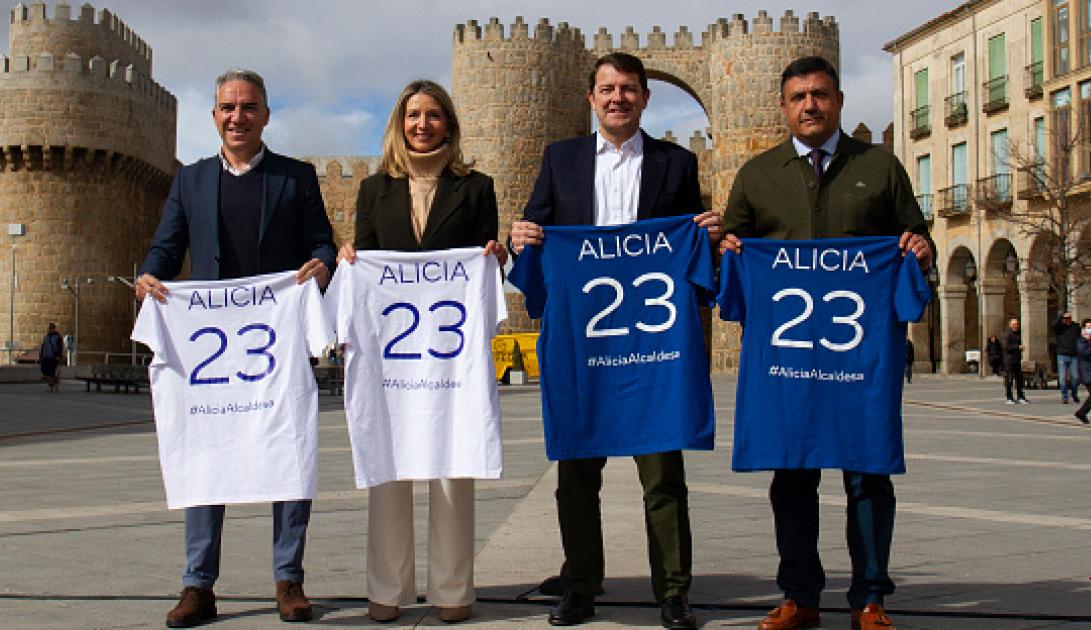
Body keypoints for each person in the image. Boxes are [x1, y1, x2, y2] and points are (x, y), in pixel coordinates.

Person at [720, 56, 933, 630]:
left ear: (838, 101)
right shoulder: (757, 175)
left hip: (860, 355)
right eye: (798, 97)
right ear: (783, 106)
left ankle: (870, 598)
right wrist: (730, 251)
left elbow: (916, 236)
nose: (809, 105)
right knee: (791, 475)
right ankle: (800, 597)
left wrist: (919, 249)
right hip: (787, 358)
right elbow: (733, 249)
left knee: (868, 474)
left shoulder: (881, 167)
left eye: (819, 94)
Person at [509, 52, 721, 629]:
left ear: (645, 97)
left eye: (628, 88)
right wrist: (519, 234)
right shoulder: (561, 160)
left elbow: (689, 245)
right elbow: (534, 228)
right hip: (585, 346)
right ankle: (580, 587)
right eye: (607, 89)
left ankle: (673, 593)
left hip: (653, 349)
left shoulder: (676, 163)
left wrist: (705, 235)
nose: (618, 98)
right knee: (577, 474)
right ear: (591, 98)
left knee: (664, 476)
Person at [135, 68, 336, 627]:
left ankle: (289, 579)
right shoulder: (190, 181)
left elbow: (322, 241)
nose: (237, 117)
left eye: (248, 107)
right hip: (211, 349)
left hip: (276, 343)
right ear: (214, 116)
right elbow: (166, 248)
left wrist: (320, 265)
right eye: (228, 107)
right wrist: (149, 276)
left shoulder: (296, 178)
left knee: (289, 453)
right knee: (204, 457)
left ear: (265, 115)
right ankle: (198, 585)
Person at [336, 79, 507, 624]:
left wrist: (494, 257)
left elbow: (484, 264)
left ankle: (453, 591)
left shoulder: (476, 188)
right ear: (399, 123)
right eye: (413, 115)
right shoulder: (373, 191)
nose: (422, 124)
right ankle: (386, 588)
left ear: (448, 124)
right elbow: (366, 261)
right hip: (392, 356)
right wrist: (352, 260)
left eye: (433, 115)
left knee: (453, 465)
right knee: (388, 466)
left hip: (450, 356)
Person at [1053, 312, 1081, 404]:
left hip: (1073, 355)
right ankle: (1064, 396)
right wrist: (1061, 315)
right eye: (1065, 318)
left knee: (1075, 377)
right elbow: (1053, 325)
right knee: (1062, 378)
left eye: (1068, 318)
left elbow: (1080, 338)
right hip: (1062, 354)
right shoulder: (1059, 327)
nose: (1067, 320)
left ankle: (1074, 393)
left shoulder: (1075, 327)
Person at [1003, 319, 1028, 404]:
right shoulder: (1007, 334)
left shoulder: (1019, 333)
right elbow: (1006, 347)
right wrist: (1018, 347)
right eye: (1014, 324)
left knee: (1019, 379)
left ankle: (1020, 396)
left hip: (1017, 360)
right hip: (1009, 360)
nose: (1016, 325)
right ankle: (1009, 397)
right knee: (1009, 379)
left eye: (1017, 324)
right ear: (1010, 325)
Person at [38, 322, 64, 392]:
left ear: (54, 329)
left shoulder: (57, 337)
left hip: (53, 357)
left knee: (51, 372)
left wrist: (59, 356)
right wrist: (41, 355)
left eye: (51, 328)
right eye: (49, 328)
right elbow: (43, 346)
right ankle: (52, 382)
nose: (49, 330)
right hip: (46, 356)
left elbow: (60, 347)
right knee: (43, 369)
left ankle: (52, 385)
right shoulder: (46, 337)